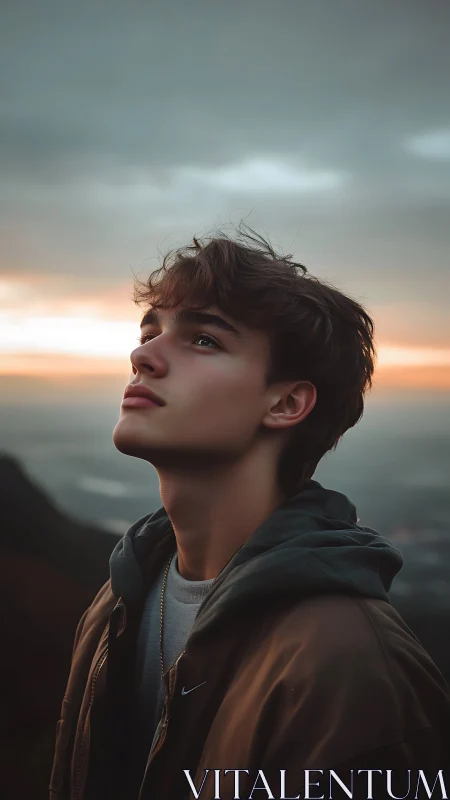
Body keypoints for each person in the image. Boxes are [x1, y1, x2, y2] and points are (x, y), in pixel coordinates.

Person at [49, 226, 450, 800]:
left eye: (204, 340)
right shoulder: (117, 603)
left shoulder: (351, 666)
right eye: (150, 331)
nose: (142, 356)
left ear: (286, 403)